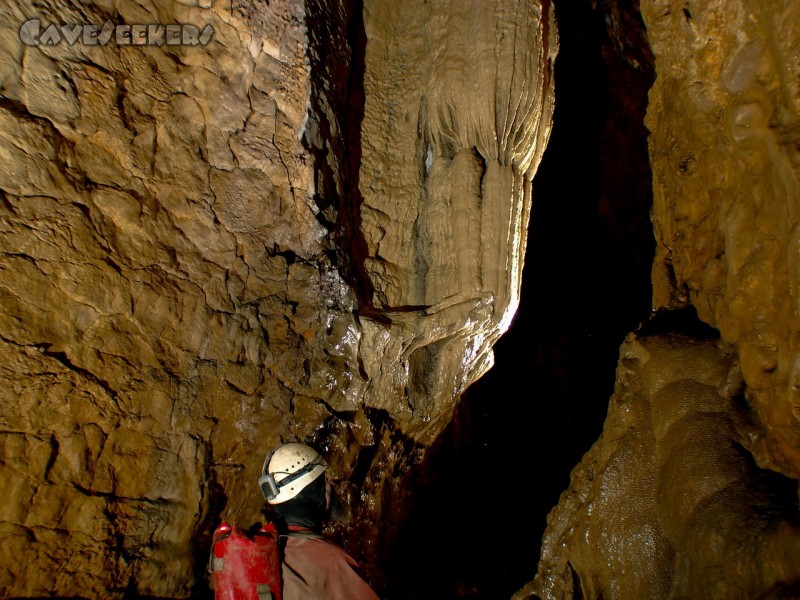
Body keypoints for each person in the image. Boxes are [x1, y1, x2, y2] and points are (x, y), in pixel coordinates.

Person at [258, 442, 380, 600]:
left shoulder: (258, 550)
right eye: (324, 480)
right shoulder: (332, 562)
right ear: (314, 490)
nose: (329, 485)